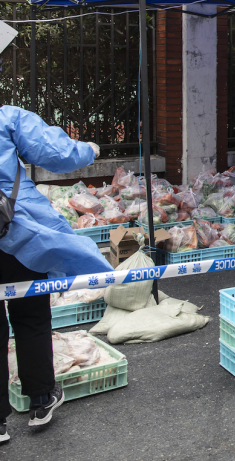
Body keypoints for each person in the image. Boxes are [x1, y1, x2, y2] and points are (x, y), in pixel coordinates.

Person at [1, 106, 110, 441]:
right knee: (31, 313)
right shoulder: (6, 117)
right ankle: (40, 399)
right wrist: (89, 150)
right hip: (15, 233)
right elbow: (54, 152)